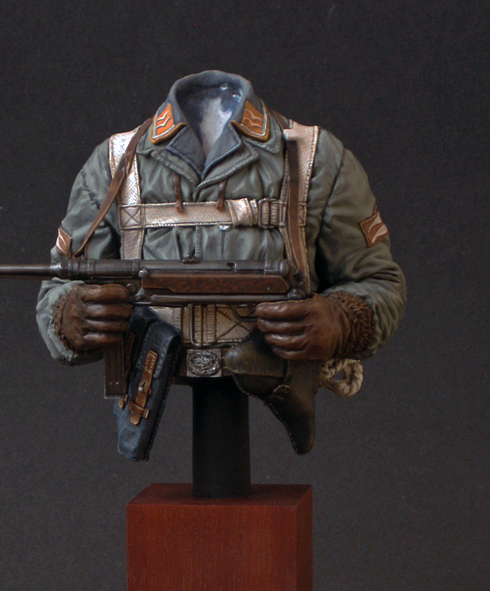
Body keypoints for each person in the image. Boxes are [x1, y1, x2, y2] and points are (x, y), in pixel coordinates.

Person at [36, 70, 406, 452]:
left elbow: (378, 281)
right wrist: (69, 316)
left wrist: (340, 321)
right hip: (150, 368)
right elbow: (59, 285)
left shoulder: (317, 157)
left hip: (277, 368)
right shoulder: (114, 162)